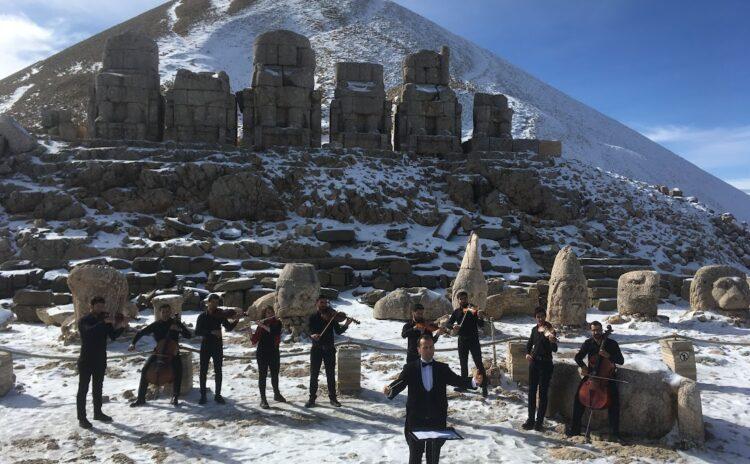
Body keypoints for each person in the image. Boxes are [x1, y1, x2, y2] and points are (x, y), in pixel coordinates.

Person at [384, 334, 483, 464]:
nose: (429, 350)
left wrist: (474, 382)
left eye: (431, 347)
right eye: (425, 347)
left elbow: (457, 380)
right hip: (416, 420)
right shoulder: (410, 368)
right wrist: (389, 390)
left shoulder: (442, 368)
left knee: (433, 458)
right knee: (414, 457)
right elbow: (400, 383)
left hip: (436, 418)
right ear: (419, 349)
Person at [566, 321, 625, 440]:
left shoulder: (612, 344)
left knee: (614, 402)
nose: (596, 332)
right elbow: (578, 357)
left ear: (602, 330)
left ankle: (615, 434)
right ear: (590, 331)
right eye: (593, 330)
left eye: (598, 330)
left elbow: (621, 360)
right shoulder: (588, 343)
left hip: (607, 378)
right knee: (578, 398)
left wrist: (608, 356)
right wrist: (583, 366)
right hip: (592, 376)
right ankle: (575, 429)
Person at [76, 296, 126, 429]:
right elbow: (88, 333)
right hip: (86, 360)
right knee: (83, 389)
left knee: (98, 388)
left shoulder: (104, 320)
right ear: (91, 306)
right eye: (98, 306)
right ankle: (82, 418)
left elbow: (113, 336)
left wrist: (121, 326)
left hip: (100, 359)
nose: (101, 309)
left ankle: (98, 413)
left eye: (102, 306)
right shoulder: (84, 320)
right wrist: (103, 322)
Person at [128, 304, 192, 407]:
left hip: (172, 352)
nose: (166, 314)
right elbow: (141, 333)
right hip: (159, 352)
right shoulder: (156, 325)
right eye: (163, 312)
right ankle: (141, 398)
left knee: (178, 370)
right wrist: (133, 343)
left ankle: (175, 396)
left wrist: (179, 330)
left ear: (170, 312)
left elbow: (189, 335)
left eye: (167, 312)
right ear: (160, 313)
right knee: (145, 370)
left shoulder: (176, 323)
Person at [305, 297, 352, 408]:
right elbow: (309, 330)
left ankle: (333, 398)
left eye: (326, 302)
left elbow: (338, 331)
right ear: (317, 303)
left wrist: (346, 324)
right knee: (314, 374)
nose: (324, 304)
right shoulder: (313, 317)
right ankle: (312, 398)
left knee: (330, 374)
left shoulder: (332, 316)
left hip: (329, 348)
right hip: (316, 349)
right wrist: (312, 335)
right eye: (322, 302)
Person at [195, 293, 239, 405]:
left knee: (218, 371)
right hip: (205, 345)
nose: (215, 305)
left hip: (217, 345)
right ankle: (203, 395)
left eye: (217, 303)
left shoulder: (220, 315)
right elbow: (197, 331)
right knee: (203, 371)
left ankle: (218, 395)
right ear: (208, 302)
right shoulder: (202, 316)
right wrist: (211, 332)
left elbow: (228, 327)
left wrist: (236, 320)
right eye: (213, 302)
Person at [446, 291, 488, 396]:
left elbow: (481, 324)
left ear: (467, 299)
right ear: (458, 300)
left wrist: (480, 317)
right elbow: (448, 323)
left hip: (473, 340)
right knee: (463, 364)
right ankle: (464, 385)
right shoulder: (456, 312)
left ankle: (484, 387)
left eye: (465, 298)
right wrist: (453, 326)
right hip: (462, 341)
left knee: (478, 363)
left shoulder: (473, 310)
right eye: (461, 299)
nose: (463, 300)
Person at [522, 308, 558, 431]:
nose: (540, 319)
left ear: (545, 316)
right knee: (531, 392)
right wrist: (527, 353)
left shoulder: (551, 330)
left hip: (546, 364)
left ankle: (539, 422)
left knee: (542, 394)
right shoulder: (534, 329)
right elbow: (529, 343)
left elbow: (555, 349)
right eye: (538, 316)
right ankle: (530, 419)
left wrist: (552, 341)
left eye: (542, 316)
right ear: (535, 317)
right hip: (534, 363)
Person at [251, 304, 285, 409]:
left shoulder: (277, 323)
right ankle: (263, 399)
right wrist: (249, 331)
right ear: (264, 314)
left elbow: (274, 332)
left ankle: (277, 394)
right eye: (267, 313)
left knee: (275, 374)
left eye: (271, 312)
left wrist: (262, 326)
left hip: (274, 351)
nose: (269, 314)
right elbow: (254, 341)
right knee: (262, 375)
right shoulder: (262, 324)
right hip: (262, 353)